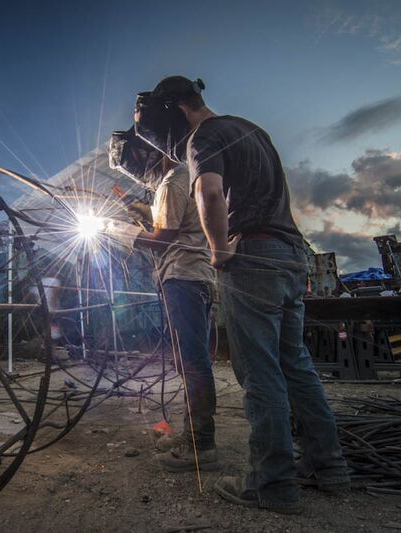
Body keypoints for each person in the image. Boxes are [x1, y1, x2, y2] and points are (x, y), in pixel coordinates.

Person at [135, 76, 349, 514]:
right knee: (296, 366)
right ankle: (329, 468)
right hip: (290, 254)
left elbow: (209, 192)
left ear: (177, 108)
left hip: (252, 255)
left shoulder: (203, 137)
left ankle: (271, 485)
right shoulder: (252, 130)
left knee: (259, 372)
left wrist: (218, 252)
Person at [107, 127, 218, 472]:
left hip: (183, 276)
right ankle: (193, 438)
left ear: (146, 154)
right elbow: (169, 224)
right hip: (191, 276)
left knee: (193, 363)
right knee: (191, 361)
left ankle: (200, 446)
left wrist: (116, 230)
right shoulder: (181, 177)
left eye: (135, 167)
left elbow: (161, 240)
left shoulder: (172, 182)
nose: (139, 175)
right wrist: (135, 209)